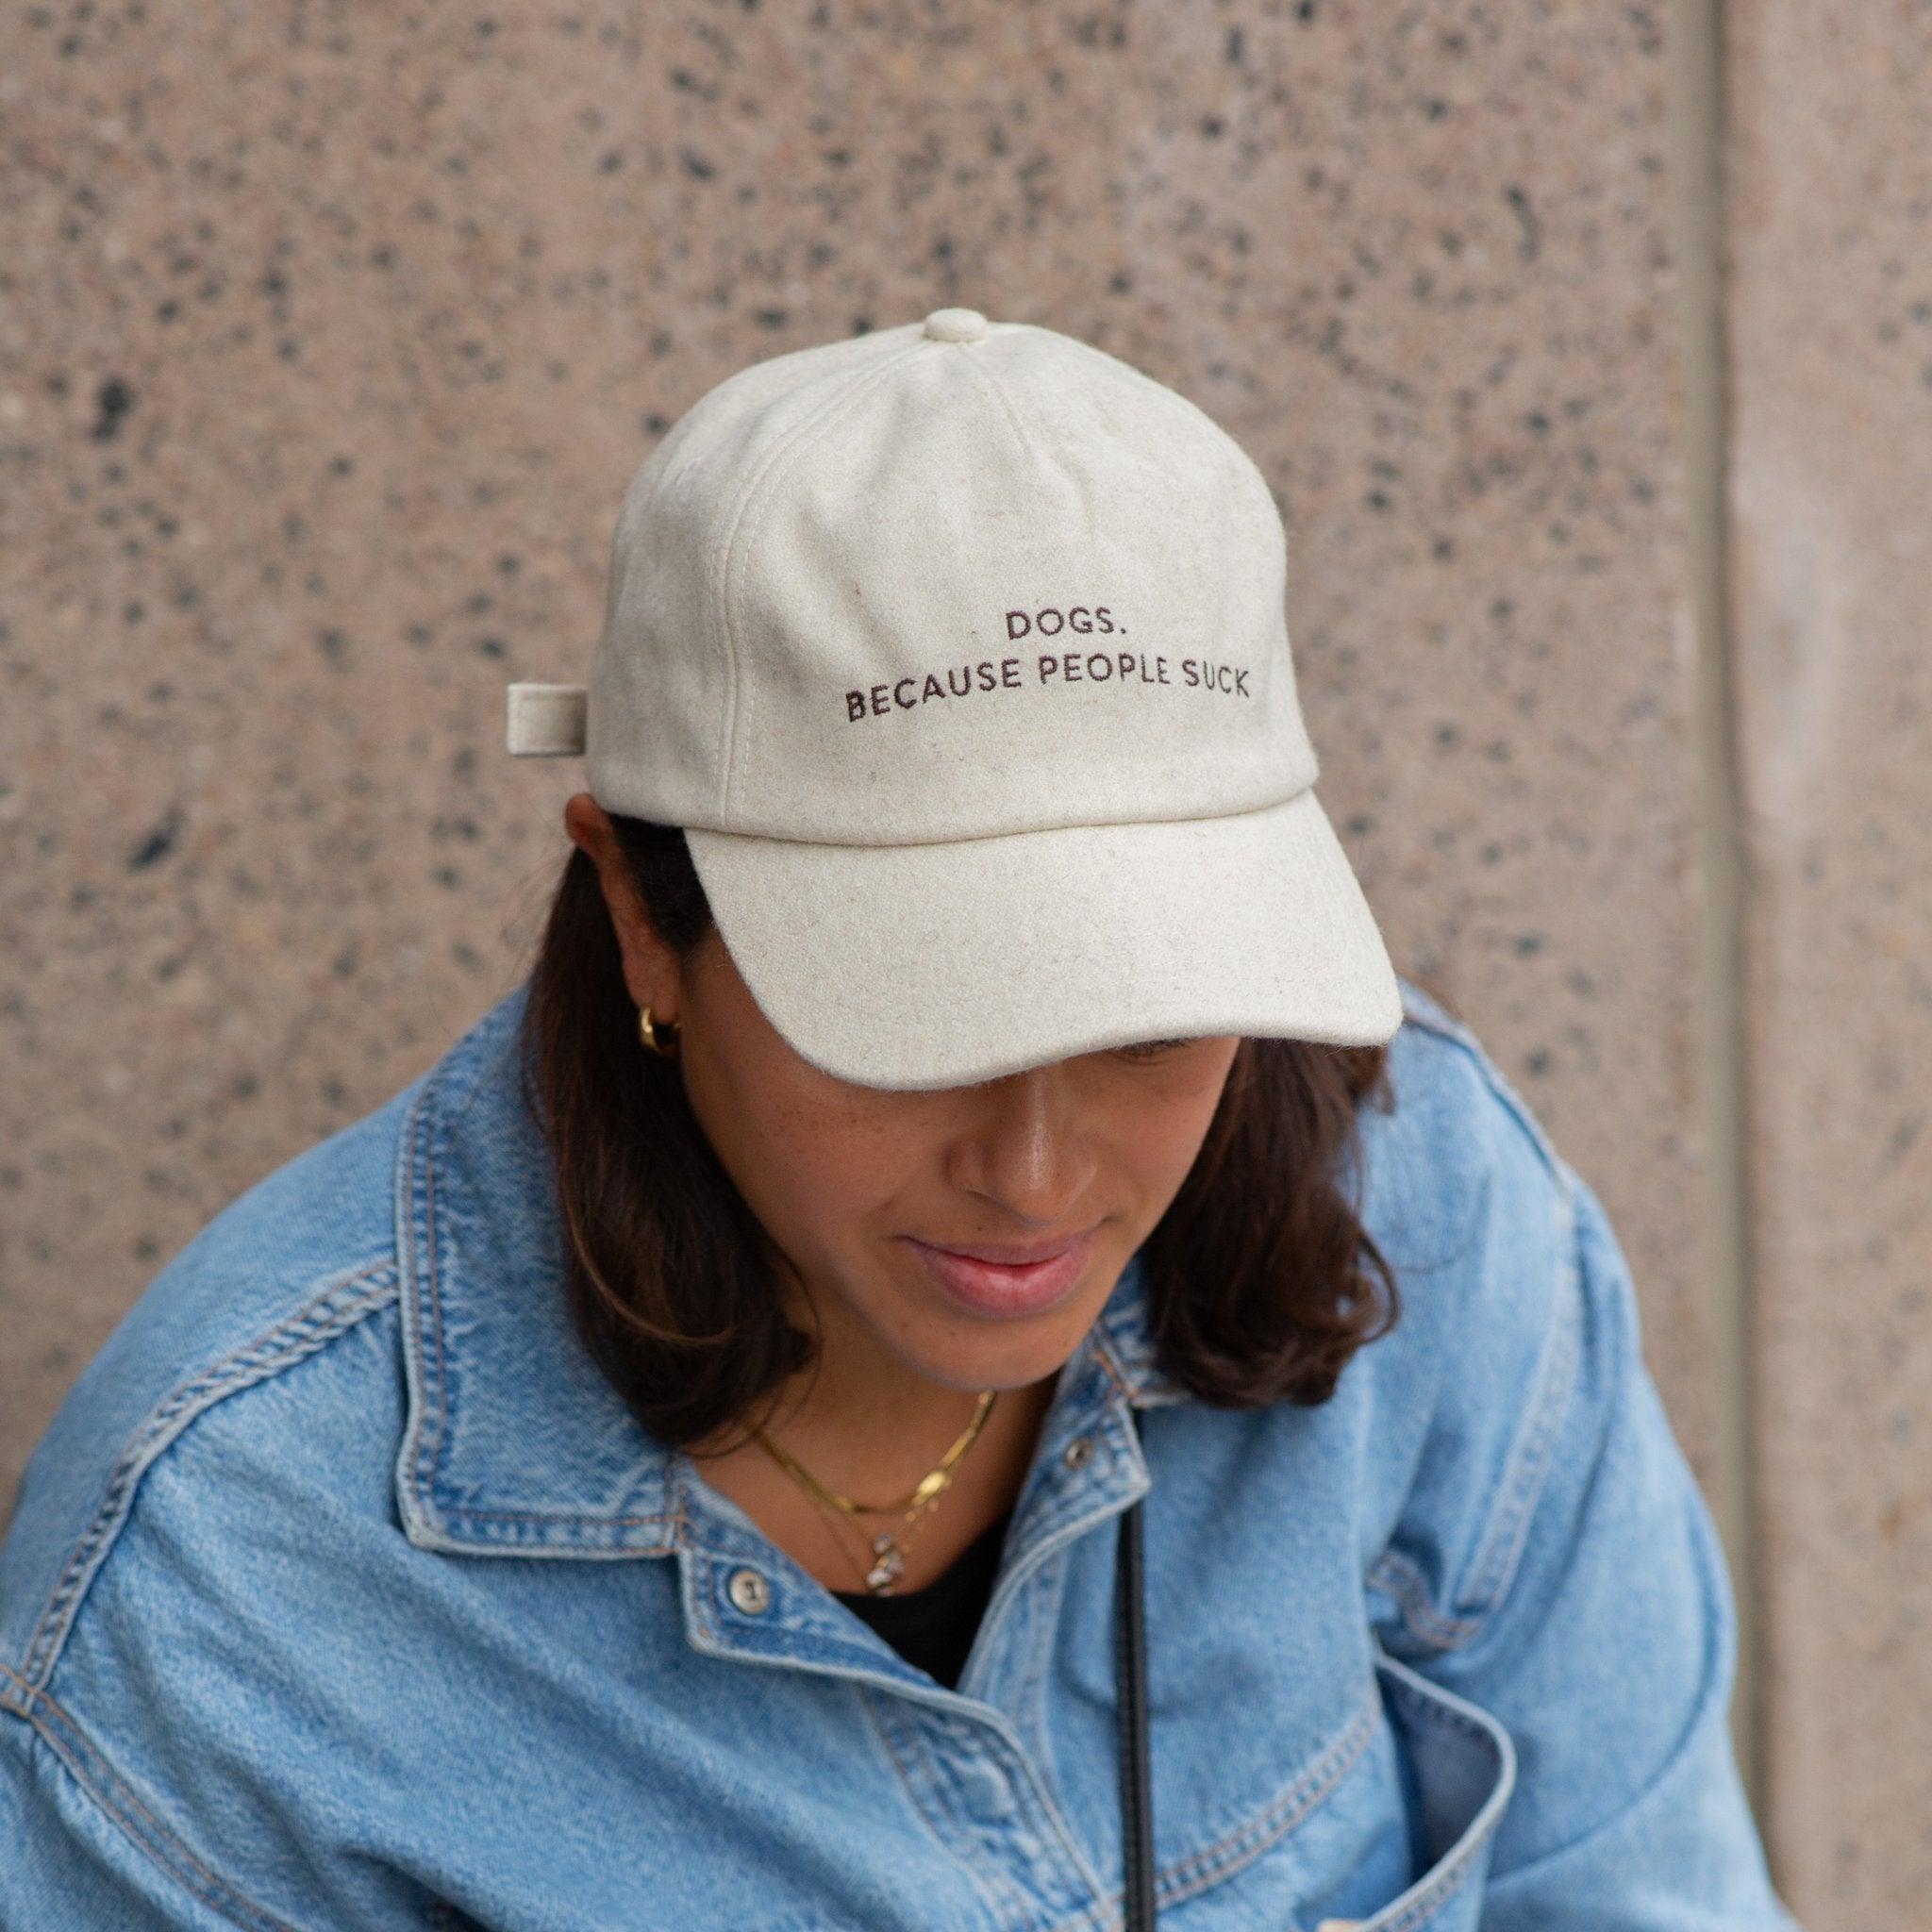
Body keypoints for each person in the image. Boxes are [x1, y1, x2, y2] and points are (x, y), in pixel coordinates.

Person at [0, 308, 1795, 1930]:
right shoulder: (232, 1586)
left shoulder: (1432, 1203)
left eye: (1149, 1019)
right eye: (911, 1026)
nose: (1034, 1173)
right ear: (641, 912)